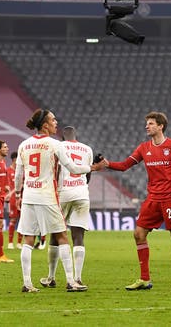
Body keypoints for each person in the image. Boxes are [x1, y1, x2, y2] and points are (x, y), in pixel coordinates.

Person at [103, 111, 171, 291]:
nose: (147, 126)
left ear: (161, 126)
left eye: (151, 123)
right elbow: (124, 166)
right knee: (139, 234)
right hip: (153, 198)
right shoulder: (143, 148)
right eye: (147, 123)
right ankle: (144, 279)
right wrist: (107, 164)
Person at [14, 108, 106, 293]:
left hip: (29, 196)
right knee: (63, 236)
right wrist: (93, 168)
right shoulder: (55, 145)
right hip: (47, 196)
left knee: (28, 239)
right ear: (45, 125)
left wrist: (17, 194)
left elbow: (18, 175)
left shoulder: (23, 145)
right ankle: (72, 281)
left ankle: (27, 283)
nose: (56, 123)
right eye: (53, 120)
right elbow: (72, 167)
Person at [40, 126, 94, 288]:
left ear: (62, 137)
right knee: (78, 236)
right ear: (75, 135)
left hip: (62, 194)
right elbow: (88, 172)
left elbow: (54, 170)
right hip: (82, 194)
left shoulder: (58, 146)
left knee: (56, 235)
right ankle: (77, 278)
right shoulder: (87, 149)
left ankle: (51, 277)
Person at [6, 151, 23, 250]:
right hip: (12, 199)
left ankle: (19, 243)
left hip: (22, 197)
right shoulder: (8, 171)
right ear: (14, 159)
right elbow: (6, 185)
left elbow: (23, 183)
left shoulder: (22, 171)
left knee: (22, 220)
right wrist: (8, 193)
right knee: (13, 219)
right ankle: (10, 243)